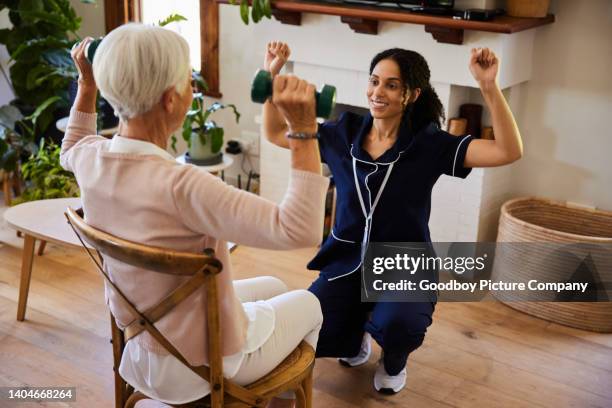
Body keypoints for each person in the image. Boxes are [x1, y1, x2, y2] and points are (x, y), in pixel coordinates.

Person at [62, 24, 328, 408]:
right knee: (312, 304)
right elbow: (299, 229)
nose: (193, 90)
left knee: (271, 283)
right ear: (171, 101)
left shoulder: (90, 158)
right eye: (189, 82)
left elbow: (71, 143)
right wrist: (303, 130)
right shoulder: (184, 186)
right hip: (201, 369)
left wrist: (85, 86)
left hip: (139, 349)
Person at [261, 42, 523, 394]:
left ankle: (393, 360)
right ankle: (353, 340)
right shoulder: (342, 133)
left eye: (391, 85)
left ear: (411, 94)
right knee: (312, 327)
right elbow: (278, 133)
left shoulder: (429, 144)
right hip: (345, 262)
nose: (377, 92)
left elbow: (508, 151)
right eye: (374, 81)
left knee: (400, 324)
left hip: (404, 263)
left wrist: (488, 86)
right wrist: (271, 74)